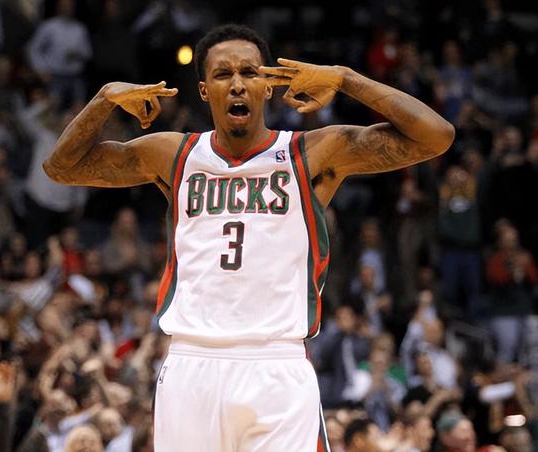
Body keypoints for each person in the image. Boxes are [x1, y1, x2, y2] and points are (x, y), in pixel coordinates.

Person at [43, 24, 454, 452]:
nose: (237, 84)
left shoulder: (310, 153)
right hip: (190, 365)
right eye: (223, 74)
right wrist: (105, 99)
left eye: (249, 72)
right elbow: (62, 168)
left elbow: (436, 136)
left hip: (276, 365)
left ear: (268, 86)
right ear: (205, 91)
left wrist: (346, 78)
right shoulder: (174, 154)